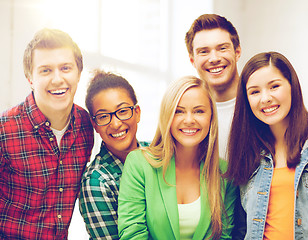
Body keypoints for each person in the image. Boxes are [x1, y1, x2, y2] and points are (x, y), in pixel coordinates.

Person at [225, 51, 308, 239]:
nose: (265, 98)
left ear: (292, 87)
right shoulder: (246, 151)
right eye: (255, 91)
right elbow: (239, 231)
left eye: (274, 86)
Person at [0, 28, 94, 239]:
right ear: (30, 78)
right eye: (45, 70)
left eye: (65, 68)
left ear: (79, 73)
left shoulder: (85, 125)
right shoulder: (4, 130)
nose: (58, 79)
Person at [117, 76, 238, 239]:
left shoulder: (224, 173)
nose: (189, 120)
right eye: (178, 111)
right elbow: (132, 234)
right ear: (167, 116)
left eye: (199, 111)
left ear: (211, 117)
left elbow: (224, 236)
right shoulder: (139, 164)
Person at [79, 70, 149, 239]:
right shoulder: (96, 181)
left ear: (137, 112)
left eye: (123, 111)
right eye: (103, 116)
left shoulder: (158, 153)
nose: (116, 123)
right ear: (95, 125)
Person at [185, 13, 241, 159]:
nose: (214, 58)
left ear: (237, 52)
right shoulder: (185, 115)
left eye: (222, 48)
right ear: (193, 60)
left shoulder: (262, 104)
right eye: (204, 52)